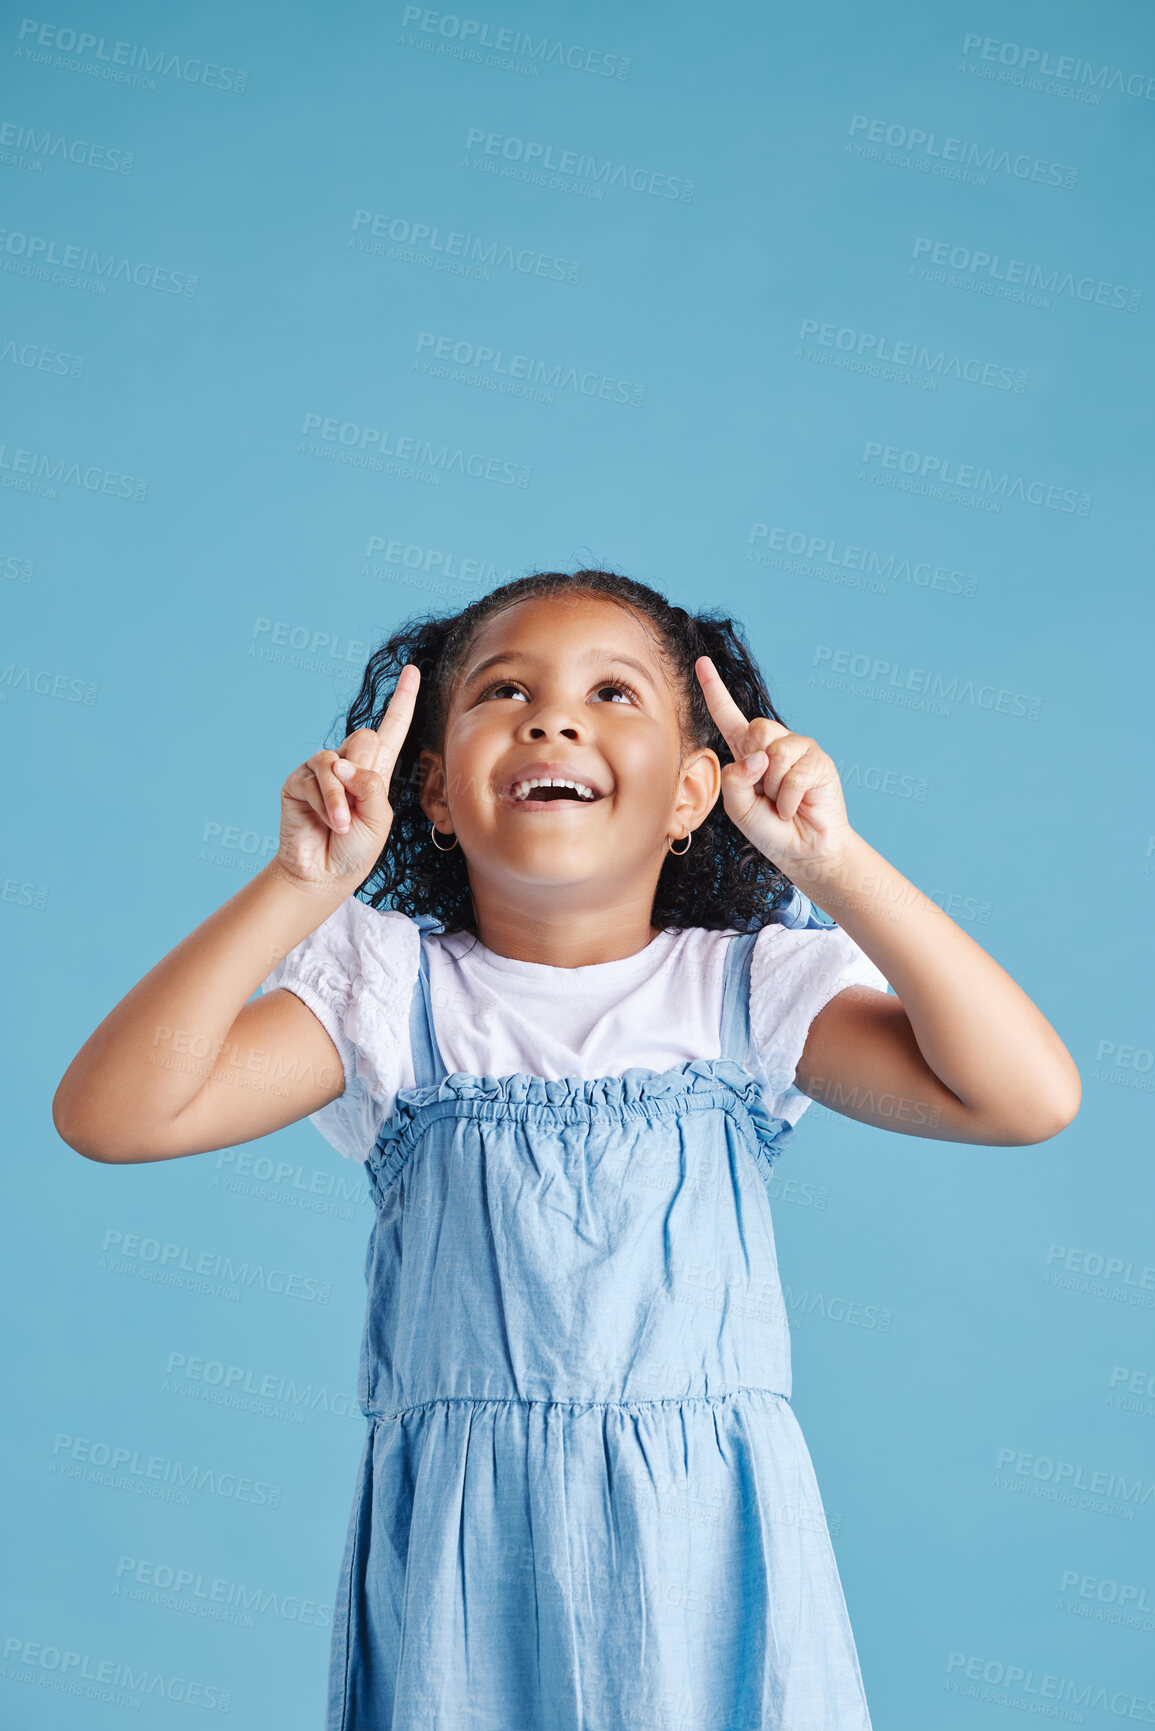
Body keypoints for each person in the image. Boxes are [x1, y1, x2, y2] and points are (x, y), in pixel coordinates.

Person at [54, 567, 1081, 1730]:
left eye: (612, 693)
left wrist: (833, 866)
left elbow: (1025, 1096)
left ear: (697, 791)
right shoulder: (389, 993)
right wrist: (298, 886)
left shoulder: (749, 988)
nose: (553, 718)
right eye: (502, 691)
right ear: (431, 787)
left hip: (713, 1554)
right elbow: (112, 1115)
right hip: (463, 1554)